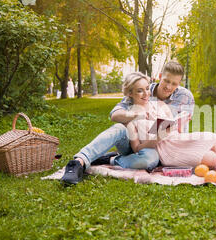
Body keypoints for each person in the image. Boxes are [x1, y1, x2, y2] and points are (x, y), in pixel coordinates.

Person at [61, 61, 195, 185]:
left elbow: (181, 132)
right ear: (160, 76)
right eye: (166, 81)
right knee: (120, 128)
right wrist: (136, 114)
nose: (168, 87)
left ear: (179, 83)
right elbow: (115, 115)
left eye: (174, 83)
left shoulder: (185, 97)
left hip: (161, 148)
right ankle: (78, 162)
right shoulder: (142, 86)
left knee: (151, 159)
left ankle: (110, 159)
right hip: (135, 141)